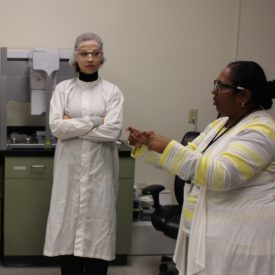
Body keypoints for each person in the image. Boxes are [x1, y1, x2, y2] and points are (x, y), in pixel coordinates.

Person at [127, 61, 275, 275]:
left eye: (222, 86)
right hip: (206, 233)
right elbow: (186, 160)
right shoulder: (220, 125)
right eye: (216, 84)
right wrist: (148, 147)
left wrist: (168, 147)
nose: (213, 91)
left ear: (243, 95)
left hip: (241, 240)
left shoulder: (261, 131)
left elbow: (221, 175)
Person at [43, 32, 124, 275]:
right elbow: (57, 127)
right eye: (84, 53)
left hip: (101, 171)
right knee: (68, 228)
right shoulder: (63, 89)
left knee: (99, 229)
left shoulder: (112, 92)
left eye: (95, 53)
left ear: (102, 58)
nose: (90, 58)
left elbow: (113, 131)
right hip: (70, 171)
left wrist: (74, 125)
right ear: (75, 58)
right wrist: (96, 120)